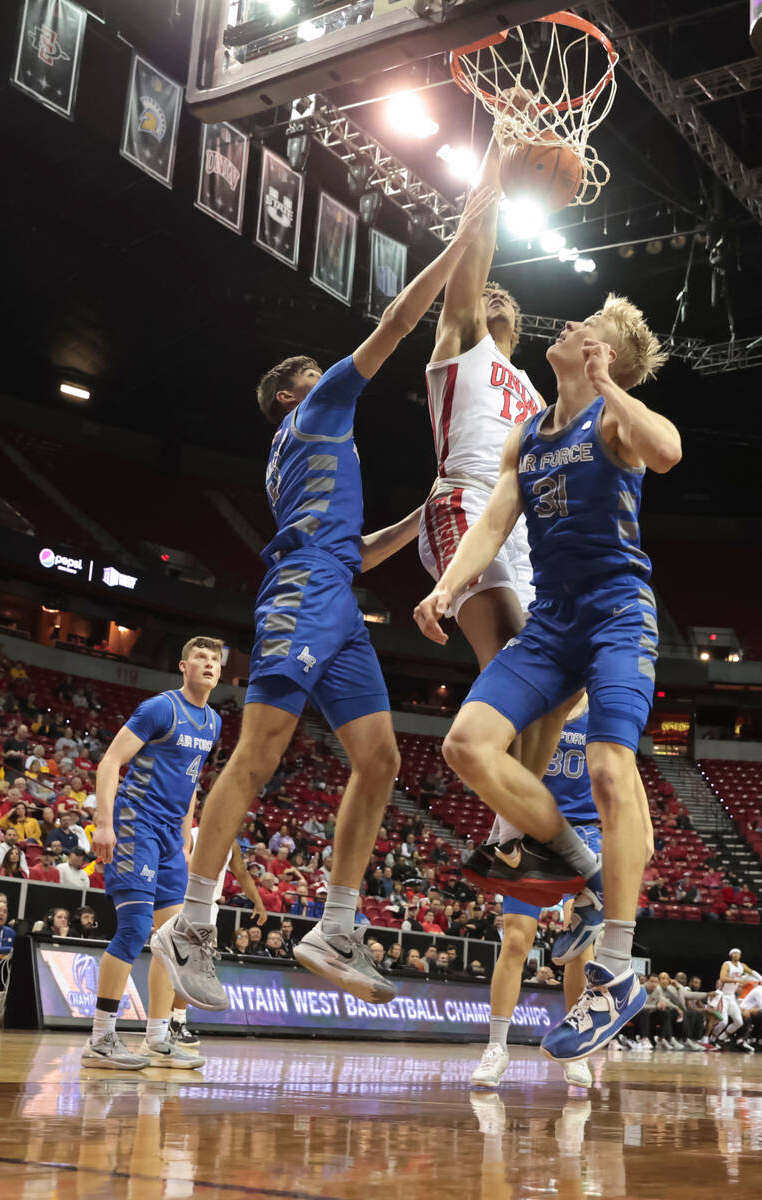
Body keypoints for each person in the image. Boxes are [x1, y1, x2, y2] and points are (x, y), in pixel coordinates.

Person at [152, 188, 499, 1011]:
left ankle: (336, 926)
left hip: (334, 590)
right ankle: (193, 921)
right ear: (289, 395)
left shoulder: (311, 457)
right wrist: (456, 250)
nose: (328, 370)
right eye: (313, 370)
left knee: (379, 759)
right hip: (304, 590)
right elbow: (393, 330)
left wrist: (434, 505)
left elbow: (363, 550)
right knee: (259, 752)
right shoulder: (312, 410)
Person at [415, 297, 677, 1062]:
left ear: (606, 356)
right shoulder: (528, 435)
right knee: (466, 746)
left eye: (586, 327)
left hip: (618, 615)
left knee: (604, 764)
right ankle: (585, 870)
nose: (566, 327)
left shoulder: (615, 422)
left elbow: (667, 452)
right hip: (556, 622)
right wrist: (447, 588)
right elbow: (494, 523)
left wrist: (612, 387)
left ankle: (619, 968)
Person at [470, 696, 652, 1088]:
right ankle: (496, 1047)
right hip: (532, 826)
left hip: (583, 832)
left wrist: (647, 828)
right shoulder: (537, 700)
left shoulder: (602, 706)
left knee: (578, 946)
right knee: (516, 940)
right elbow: (498, 762)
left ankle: (578, 1048)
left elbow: (628, 770)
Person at [417, 131, 542, 687]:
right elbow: (477, 246)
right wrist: (499, 147)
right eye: (484, 292)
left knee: (543, 680)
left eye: (502, 295)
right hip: (465, 501)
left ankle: (512, 769)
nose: (491, 294)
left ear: (518, 320)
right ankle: (475, 756)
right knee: (514, 657)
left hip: (521, 527)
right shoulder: (466, 341)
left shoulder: (538, 395)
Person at [82, 636, 225, 1071]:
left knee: (171, 941)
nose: (208, 664)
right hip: (135, 823)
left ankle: (158, 1040)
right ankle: (101, 1039)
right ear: (183, 666)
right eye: (200, 657)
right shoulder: (160, 708)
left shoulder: (214, 722)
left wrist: (185, 833)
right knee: (135, 929)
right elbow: (110, 763)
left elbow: (191, 780)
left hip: (168, 835)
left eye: (215, 659)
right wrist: (104, 824)